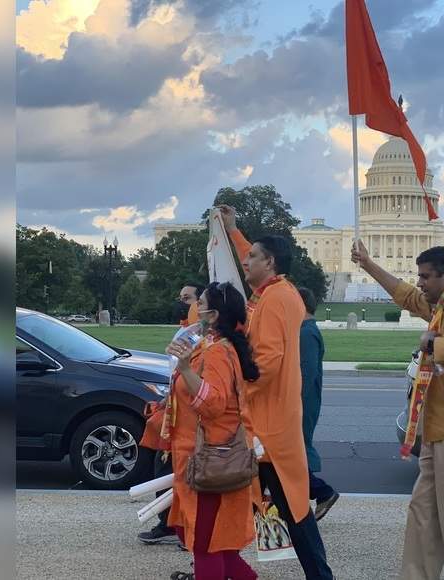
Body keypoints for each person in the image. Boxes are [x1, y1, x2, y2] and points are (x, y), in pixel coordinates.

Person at [351, 240, 444, 580]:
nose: (420, 282)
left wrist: (434, 344)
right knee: (423, 512)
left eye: (425, 276)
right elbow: (406, 296)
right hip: (437, 428)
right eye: (419, 275)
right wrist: (368, 264)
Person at [218, 205, 334, 580]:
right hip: (271, 424)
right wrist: (234, 231)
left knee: (285, 507)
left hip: (267, 427)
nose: (245, 260)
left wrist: (237, 389)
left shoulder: (275, 299)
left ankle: (223, 567)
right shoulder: (276, 293)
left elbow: (265, 362)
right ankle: (224, 567)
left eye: (252, 257)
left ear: (269, 263)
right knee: (279, 506)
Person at [163, 281, 259, 580]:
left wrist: (186, 368)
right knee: (220, 545)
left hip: (211, 461)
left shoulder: (218, 352)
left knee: (206, 544)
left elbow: (213, 404)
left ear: (213, 314)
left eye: (199, 303)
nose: (194, 309)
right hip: (208, 458)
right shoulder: (214, 347)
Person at [137, 281, 209, 546]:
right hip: (175, 418)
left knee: (182, 478)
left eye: (191, 299)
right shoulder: (187, 334)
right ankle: (174, 525)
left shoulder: (205, 340)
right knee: (164, 472)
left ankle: (186, 530)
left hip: (192, 424)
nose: (185, 303)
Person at [296, 286, 340, 520]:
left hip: (301, 404)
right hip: (300, 402)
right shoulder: (303, 331)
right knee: (296, 452)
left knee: (297, 451)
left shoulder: (306, 333)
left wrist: (291, 404)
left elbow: (305, 373)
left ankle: (321, 491)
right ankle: (311, 496)